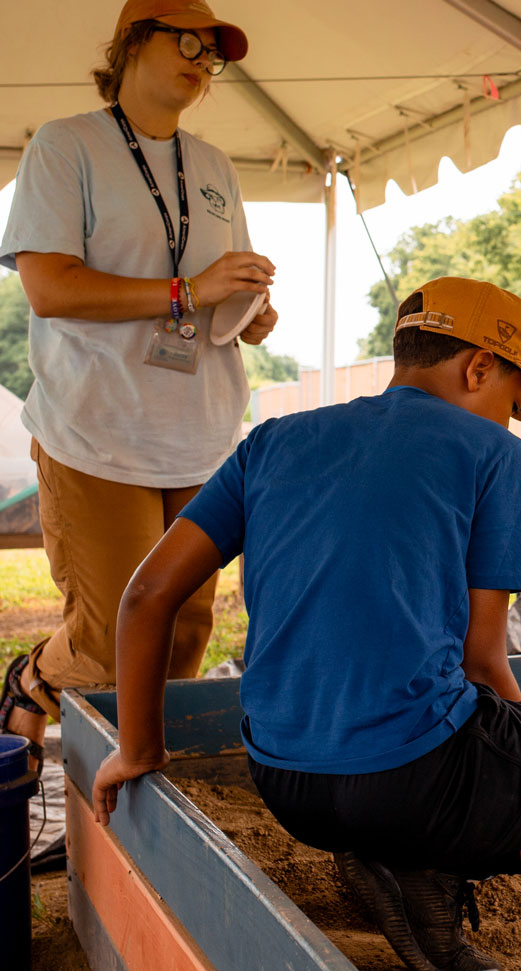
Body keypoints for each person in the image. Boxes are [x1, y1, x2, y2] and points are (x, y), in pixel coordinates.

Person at [91, 279, 521, 971]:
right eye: (514, 403)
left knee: (494, 767)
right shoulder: (490, 452)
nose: (509, 424)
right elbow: (484, 662)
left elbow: (146, 595)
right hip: (421, 775)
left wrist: (139, 748)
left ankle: (402, 845)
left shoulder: (269, 441)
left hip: (286, 781)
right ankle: (441, 855)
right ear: (478, 367)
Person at [0, 0, 278, 785]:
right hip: (95, 430)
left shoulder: (215, 166)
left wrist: (246, 311)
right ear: (131, 43)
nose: (202, 61)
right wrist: (188, 291)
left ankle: (146, 790)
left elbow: (215, 287)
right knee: (110, 638)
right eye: (187, 41)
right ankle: (33, 680)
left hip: (199, 430)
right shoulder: (66, 146)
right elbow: (51, 287)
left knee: (186, 628)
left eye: (214, 54)